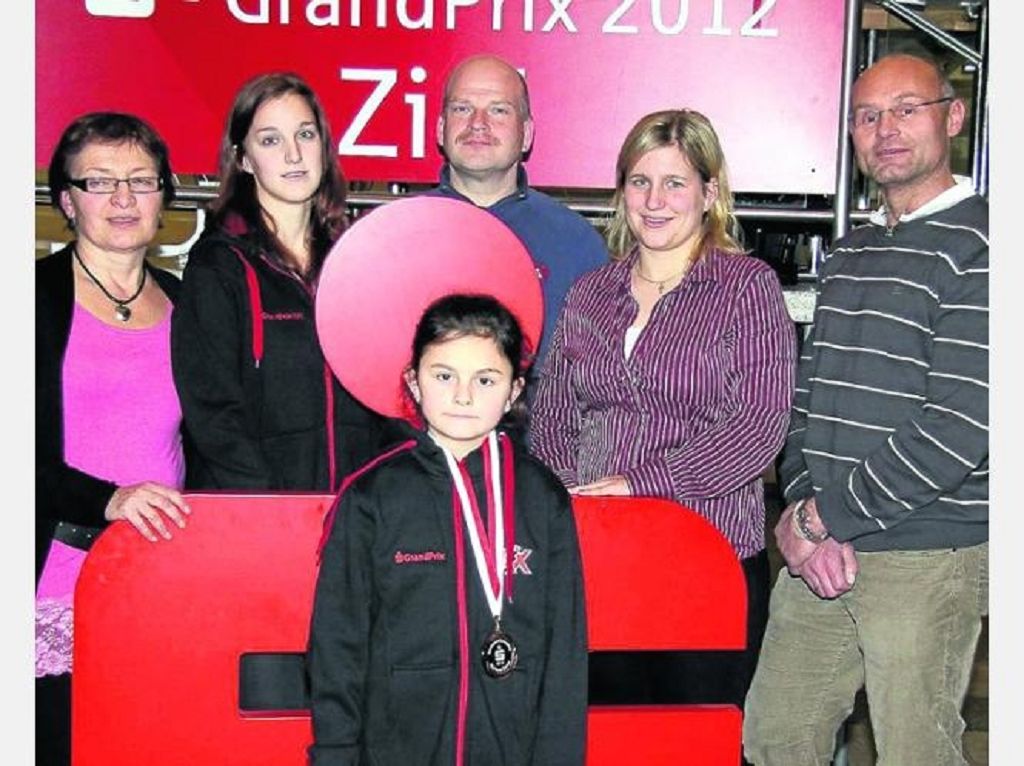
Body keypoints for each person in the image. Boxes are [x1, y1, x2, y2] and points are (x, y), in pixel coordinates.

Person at [743, 53, 988, 766]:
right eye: (866, 115)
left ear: (954, 116)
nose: (886, 129)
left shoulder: (988, 244)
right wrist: (797, 511)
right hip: (820, 547)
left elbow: (960, 427)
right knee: (775, 738)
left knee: (916, 752)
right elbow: (806, 398)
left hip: (927, 553)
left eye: (907, 108)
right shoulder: (851, 248)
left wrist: (823, 518)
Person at [531, 108, 796, 709]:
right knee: (601, 736)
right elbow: (551, 417)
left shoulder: (746, 288)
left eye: (675, 182)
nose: (655, 200)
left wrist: (637, 484)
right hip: (598, 561)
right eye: (639, 181)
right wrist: (575, 492)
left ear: (709, 193)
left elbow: (757, 428)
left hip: (707, 559)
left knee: (694, 739)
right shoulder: (589, 293)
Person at [307, 294, 588, 765]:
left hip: (509, 749)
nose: (463, 396)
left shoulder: (543, 499)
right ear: (414, 382)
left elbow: (565, 654)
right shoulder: (372, 497)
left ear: (515, 390)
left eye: (485, 379)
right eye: (443, 376)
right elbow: (337, 647)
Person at [37, 112, 192, 766]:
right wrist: (107, 498)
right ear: (67, 201)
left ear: (165, 197)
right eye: (100, 182)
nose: (124, 199)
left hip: (161, 588)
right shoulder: (28, 301)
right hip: (51, 584)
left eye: (141, 180)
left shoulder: (194, 306)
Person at [171, 72, 394, 491]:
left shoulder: (357, 263)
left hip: (353, 518)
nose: (294, 154)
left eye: (305, 135)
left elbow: (391, 397)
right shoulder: (217, 267)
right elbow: (213, 416)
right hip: (257, 519)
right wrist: (271, 512)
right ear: (243, 159)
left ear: (324, 148)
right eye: (271, 140)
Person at [430, 53, 608, 366]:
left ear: (526, 135)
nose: (478, 124)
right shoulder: (391, 234)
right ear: (440, 129)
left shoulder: (577, 244)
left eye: (498, 110)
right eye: (462, 108)